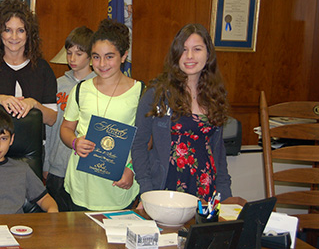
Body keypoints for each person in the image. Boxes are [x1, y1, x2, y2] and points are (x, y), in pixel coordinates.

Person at [131, 23, 241, 204]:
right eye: (183, 50)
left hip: (205, 190)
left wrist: (225, 195)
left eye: (197, 49)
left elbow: (218, 153)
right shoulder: (157, 93)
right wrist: (146, 191)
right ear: (176, 55)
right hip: (165, 190)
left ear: (208, 54)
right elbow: (138, 145)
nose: (189, 56)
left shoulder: (215, 95)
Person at [59, 19, 142, 211]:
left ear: (124, 56)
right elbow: (66, 128)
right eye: (96, 57)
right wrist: (75, 142)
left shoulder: (140, 92)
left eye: (109, 56)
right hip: (82, 185)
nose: (102, 64)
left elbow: (146, 141)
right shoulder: (81, 90)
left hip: (119, 183)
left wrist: (132, 169)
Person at [0, 0, 57, 126]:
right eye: (8, 30)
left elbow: (52, 119)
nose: (14, 37)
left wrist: (34, 104)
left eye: (20, 30)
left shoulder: (43, 68)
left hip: (32, 144)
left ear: (28, 34)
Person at [43, 26, 97, 211]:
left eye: (79, 53)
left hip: (86, 169)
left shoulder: (99, 86)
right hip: (57, 167)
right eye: (69, 53)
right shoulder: (57, 84)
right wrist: (46, 163)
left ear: (91, 55)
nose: (72, 59)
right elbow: (50, 128)